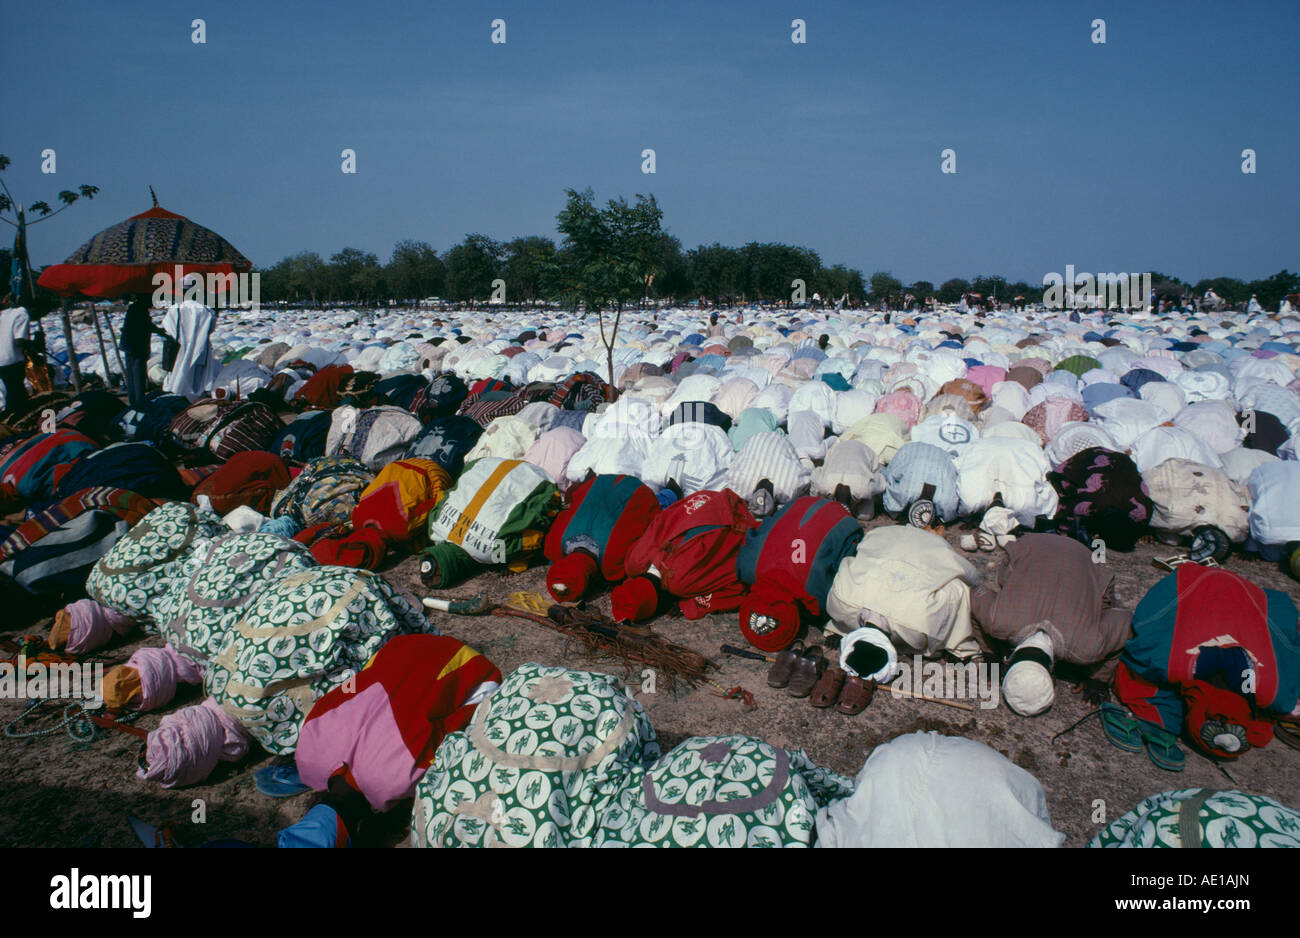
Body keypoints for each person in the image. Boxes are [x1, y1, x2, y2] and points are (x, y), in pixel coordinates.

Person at [161, 273, 220, 400]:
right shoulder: (206, 310)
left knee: (179, 374)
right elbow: (211, 329)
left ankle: (178, 396)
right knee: (197, 378)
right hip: (200, 349)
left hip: (180, 348)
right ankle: (195, 400)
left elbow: (168, 329)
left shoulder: (175, 308)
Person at [121, 295, 166, 407]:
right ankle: (140, 401)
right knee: (138, 374)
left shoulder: (134, 308)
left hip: (129, 346)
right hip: (137, 347)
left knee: (131, 373)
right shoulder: (140, 310)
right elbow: (147, 326)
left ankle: (133, 400)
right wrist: (162, 332)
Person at [0, 293, 33, 415]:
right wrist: (34, 344)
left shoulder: (4, 314)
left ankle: (11, 414)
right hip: (10, 359)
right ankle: (19, 416)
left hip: (3, 360)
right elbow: (19, 341)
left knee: (11, 390)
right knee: (16, 390)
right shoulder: (20, 312)